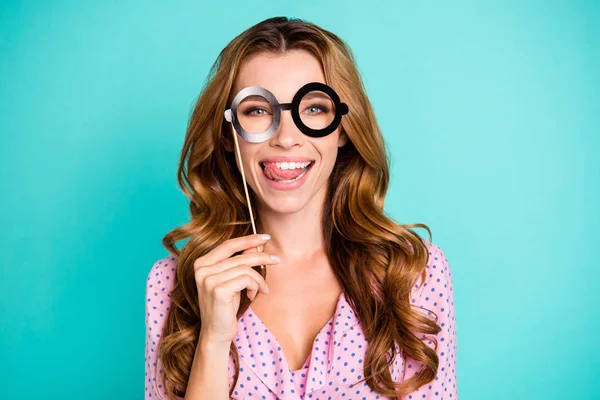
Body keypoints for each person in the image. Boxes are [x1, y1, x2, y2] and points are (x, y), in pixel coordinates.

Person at [145, 16, 458, 400]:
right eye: (258, 110)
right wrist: (212, 339)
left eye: (313, 109)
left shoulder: (412, 274)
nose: (287, 137)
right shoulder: (175, 283)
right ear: (229, 134)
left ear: (343, 128)